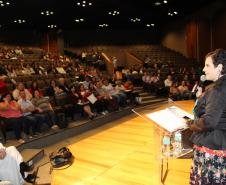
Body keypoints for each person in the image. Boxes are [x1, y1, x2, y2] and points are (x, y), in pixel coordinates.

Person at [187, 49, 226, 185]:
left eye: (208, 65)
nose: (204, 69)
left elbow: (209, 121)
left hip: (213, 146)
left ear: (220, 67)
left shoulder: (217, 89)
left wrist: (190, 123)